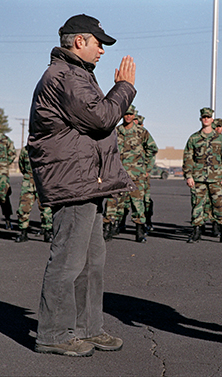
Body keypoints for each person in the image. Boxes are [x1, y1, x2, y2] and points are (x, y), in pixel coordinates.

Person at [28, 14, 136, 357]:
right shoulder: (64, 76)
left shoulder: (78, 75)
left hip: (86, 181)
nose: (102, 50)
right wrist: (125, 88)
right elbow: (102, 117)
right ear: (79, 41)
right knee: (68, 261)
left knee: (91, 262)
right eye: (98, 42)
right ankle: (53, 334)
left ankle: (88, 328)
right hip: (72, 181)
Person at [103, 105, 158, 243]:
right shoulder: (115, 132)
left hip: (136, 175)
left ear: (134, 115)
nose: (128, 116)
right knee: (112, 202)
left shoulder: (141, 132)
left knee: (137, 203)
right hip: (117, 174)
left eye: (130, 114)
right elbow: (106, 150)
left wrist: (147, 168)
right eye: (126, 114)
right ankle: (107, 229)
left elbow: (152, 149)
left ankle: (139, 231)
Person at [183, 108, 222, 244]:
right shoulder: (194, 138)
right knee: (197, 205)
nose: (206, 119)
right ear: (201, 119)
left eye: (208, 117)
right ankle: (196, 232)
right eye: (203, 117)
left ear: (212, 120)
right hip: (198, 177)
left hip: (216, 178)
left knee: (219, 205)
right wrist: (188, 175)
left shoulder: (221, 139)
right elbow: (188, 158)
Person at [14, 145, 53, 243]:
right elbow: (22, 166)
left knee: (46, 209)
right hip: (28, 182)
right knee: (23, 208)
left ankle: (47, 232)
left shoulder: (47, 148)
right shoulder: (25, 150)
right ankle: (23, 232)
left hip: (43, 182)